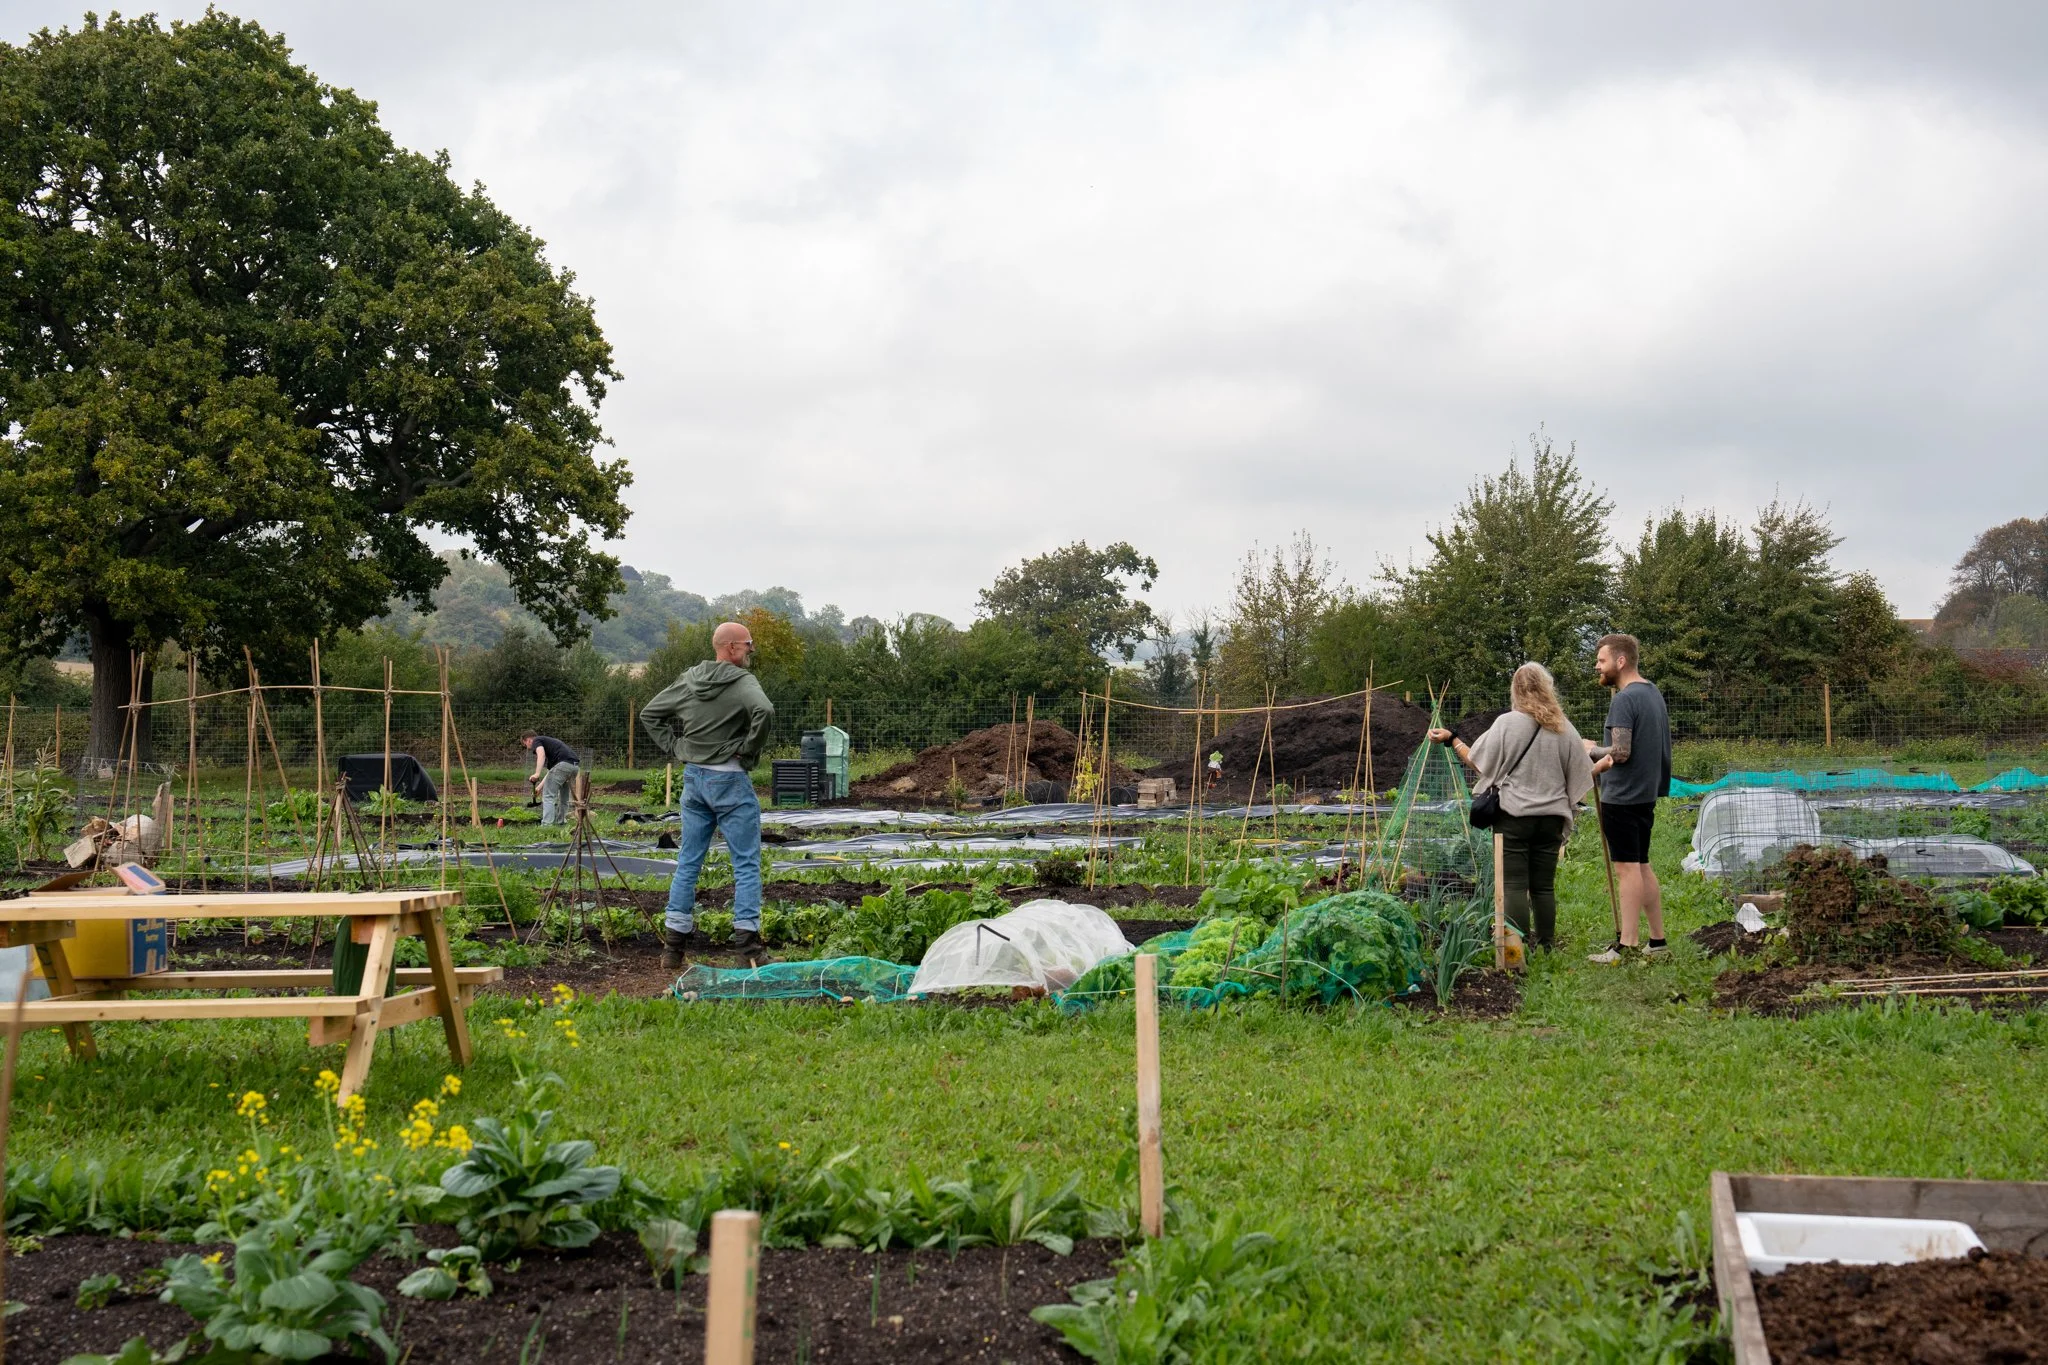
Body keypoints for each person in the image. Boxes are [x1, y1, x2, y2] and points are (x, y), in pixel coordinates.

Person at [1429, 663, 1594, 951]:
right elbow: (1580, 773)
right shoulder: (1564, 727)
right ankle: (1546, 946)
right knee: (1544, 886)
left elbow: (1478, 761)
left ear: (1515, 690)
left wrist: (1453, 740)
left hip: (1514, 816)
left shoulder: (1507, 723)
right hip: (1552, 818)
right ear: (1547, 688)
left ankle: (1518, 948)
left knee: (1515, 884)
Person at [639, 622, 776, 968]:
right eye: (747, 645)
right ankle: (747, 950)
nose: (750, 651)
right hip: (730, 779)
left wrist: (676, 746)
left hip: (694, 780)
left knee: (688, 861)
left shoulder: (690, 679)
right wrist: (748, 749)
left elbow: (650, 713)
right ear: (730, 648)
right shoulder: (742, 681)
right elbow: (765, 711)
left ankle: (673, 948)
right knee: (745, 863)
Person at [1581, 633, 1672, 964]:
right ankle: (1657, 941)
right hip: (1645, 793)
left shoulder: (1624, 699)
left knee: (1627, 869)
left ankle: (1627, 944)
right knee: (1642, 864)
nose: (1597, 666)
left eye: (1601, 660)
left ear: (1620, 661)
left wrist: (1590, 750)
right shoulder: (1652, 693)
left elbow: (1619, 752)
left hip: (1622, 796)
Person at [521, 732, 580, 826]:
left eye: (525, 745)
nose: (528, 748)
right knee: (564, 797)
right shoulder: (552, 748)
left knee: (548, 796)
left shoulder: (537, 740)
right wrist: (539, 788)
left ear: (528, 740)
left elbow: (541, 754)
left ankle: (546, 825)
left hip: (562, 766)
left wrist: (537, 773)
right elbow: (551, 772)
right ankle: (561, 822)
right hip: (574, 767)